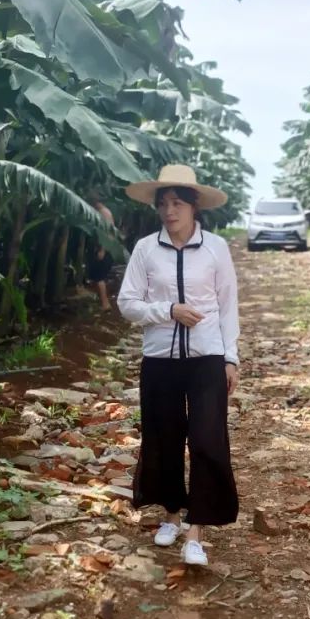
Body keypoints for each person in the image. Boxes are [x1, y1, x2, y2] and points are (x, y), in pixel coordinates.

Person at [117, 164, 241, 567]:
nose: (169, 211)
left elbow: (227, 306)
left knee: (207, 440)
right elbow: (127, 303)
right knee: (163, 438)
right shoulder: (145, 249)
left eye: (177, 203)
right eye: (163, 204)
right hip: (160, 361)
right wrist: (167, 310)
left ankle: (196, 531)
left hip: (206, 358)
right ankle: (171, 514)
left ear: (194, 206)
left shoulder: (216, 248)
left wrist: (230, 357)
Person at [87, 199, 117, 311]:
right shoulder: (100, 211)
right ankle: (102, 302)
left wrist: (102, 250)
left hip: (105, 249)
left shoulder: (104, 213)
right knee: (97, 277)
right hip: (102, 248)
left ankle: (105, 304)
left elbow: (109, 233)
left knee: (99, 278)